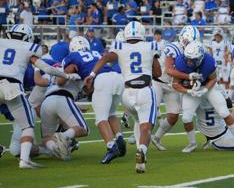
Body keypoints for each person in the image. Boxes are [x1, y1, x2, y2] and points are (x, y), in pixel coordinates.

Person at [0, 24, 80, 168]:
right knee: (27, 126)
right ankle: (24, 161)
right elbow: (47, 70)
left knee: (15, 148)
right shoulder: (31, 50)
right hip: (12, 87)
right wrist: (67, 75)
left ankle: (45, 150)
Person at [85, 21, 161, 173]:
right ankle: (142, 151)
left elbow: (105, 58)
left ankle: (140, 160)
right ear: (142, 32)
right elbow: (158, 73)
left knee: (138, 121)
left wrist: (92, 74)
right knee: (146, 126)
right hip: (145, 90)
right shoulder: (150, 46)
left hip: (127, 94)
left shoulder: (119, 46)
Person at [172, 40, 234, 153]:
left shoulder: (208, 61)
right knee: (186, 118)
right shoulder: (180, 61)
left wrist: (205, 90)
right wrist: (188, 91)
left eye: (192, 60)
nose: (188, 62)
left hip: (208, 87)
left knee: (224, 112)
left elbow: (213, 79)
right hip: (192, 90)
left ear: (200, 58)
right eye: (187, 58)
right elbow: (175, 84)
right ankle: (192, 143)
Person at [64, 36, 126, 164]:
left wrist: (72, 74)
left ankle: (111, 147)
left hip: (102, 80)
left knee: (100, 118)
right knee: (111, 114)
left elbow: (65, 75)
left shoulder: (72, 56)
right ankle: (119, 138)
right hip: (117, 77)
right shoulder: (96, 52)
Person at [151, 26, 202, 153]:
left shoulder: (192, 50)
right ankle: (139, 136)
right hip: (157, 82)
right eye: (188, 41)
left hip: (172, 84)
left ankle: (156, 138)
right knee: (151, 111)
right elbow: (169, 70)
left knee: (173, 116)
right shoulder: (173, 47)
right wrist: (187, 76)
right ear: (183, 38)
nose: (190, 44)